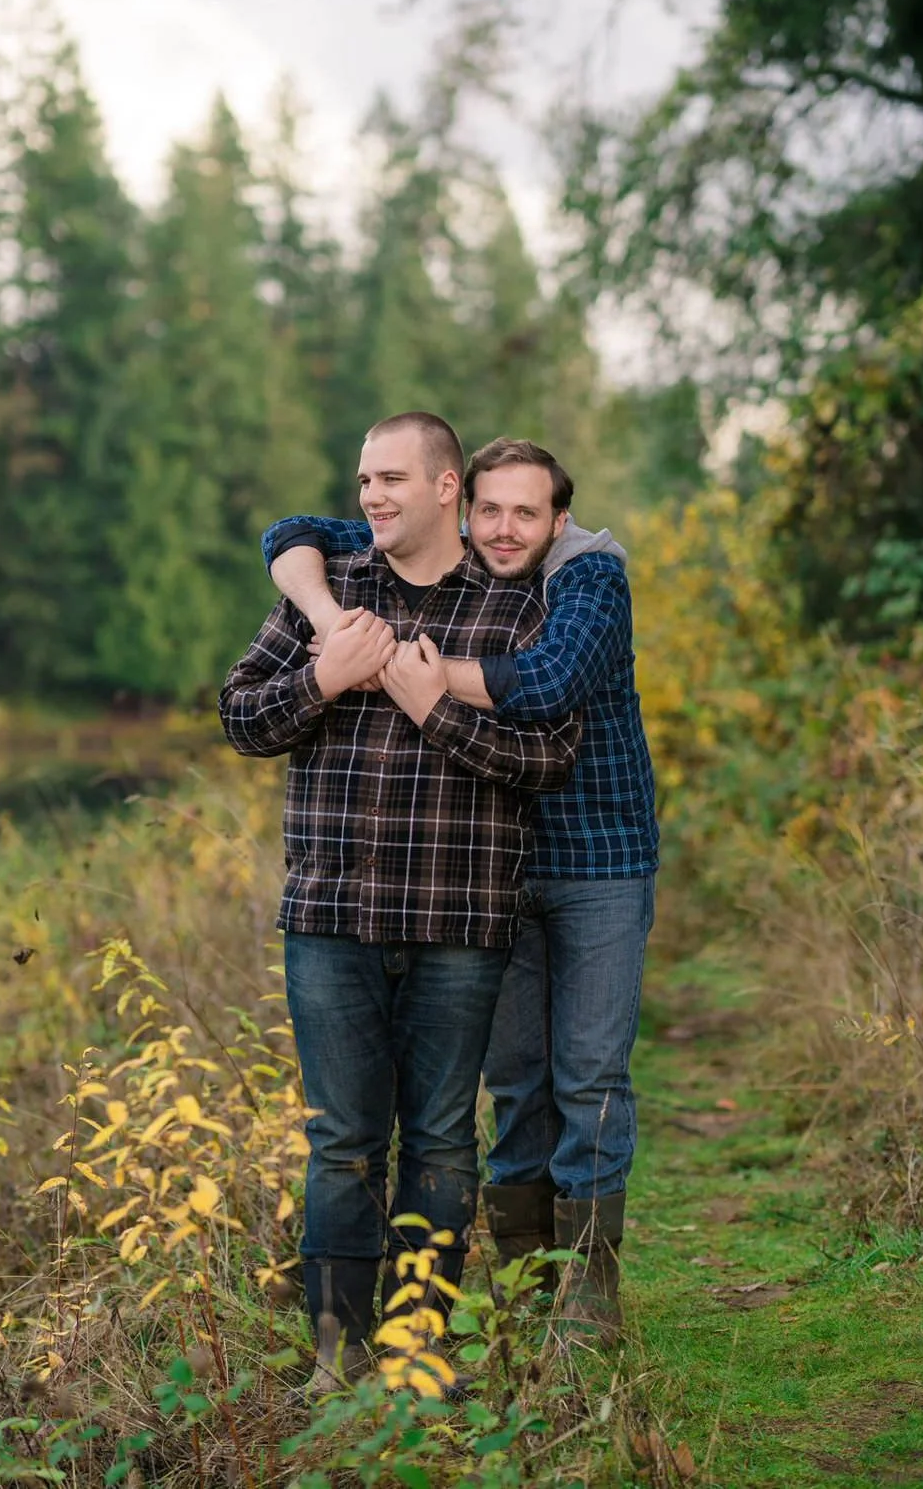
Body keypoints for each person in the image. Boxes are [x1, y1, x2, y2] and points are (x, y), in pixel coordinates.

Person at [264, 436, 659, 1347]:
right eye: (490, 510)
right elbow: (300, 530)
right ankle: (524, 1289)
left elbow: (552, 688)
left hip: (598, 856)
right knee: (517, 1084)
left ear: (559, 519)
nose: (507, 527)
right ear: (463, 508)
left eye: (528, 511)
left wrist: (424, 684)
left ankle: (590, 1294)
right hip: (499, 870)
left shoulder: (583, 578)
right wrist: (328, 620)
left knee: (589, 1073)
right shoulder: (459, 562)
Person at [219, 414, 580, 1395]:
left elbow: (549, 757)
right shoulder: (328, 598)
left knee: (436, 1137)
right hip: (329, 917)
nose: (371, 496)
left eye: (390, 479)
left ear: (446, 487)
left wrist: (436, 710)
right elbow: (240, 715)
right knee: (340, 1140)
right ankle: (336, 1361)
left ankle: (417, 1354)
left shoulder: (516, 609)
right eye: (363, 479)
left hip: (457, 919)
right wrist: (322, 679)